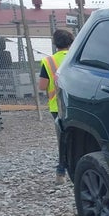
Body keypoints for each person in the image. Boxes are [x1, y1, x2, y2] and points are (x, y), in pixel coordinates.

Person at [39, 29, 74, 184]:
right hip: (77, 104)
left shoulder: (48, 62)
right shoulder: (77, 57)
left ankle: (61, 172)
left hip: (57, 106)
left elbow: (42, 86)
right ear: (71, 42)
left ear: (55, 43)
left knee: (63, 139)